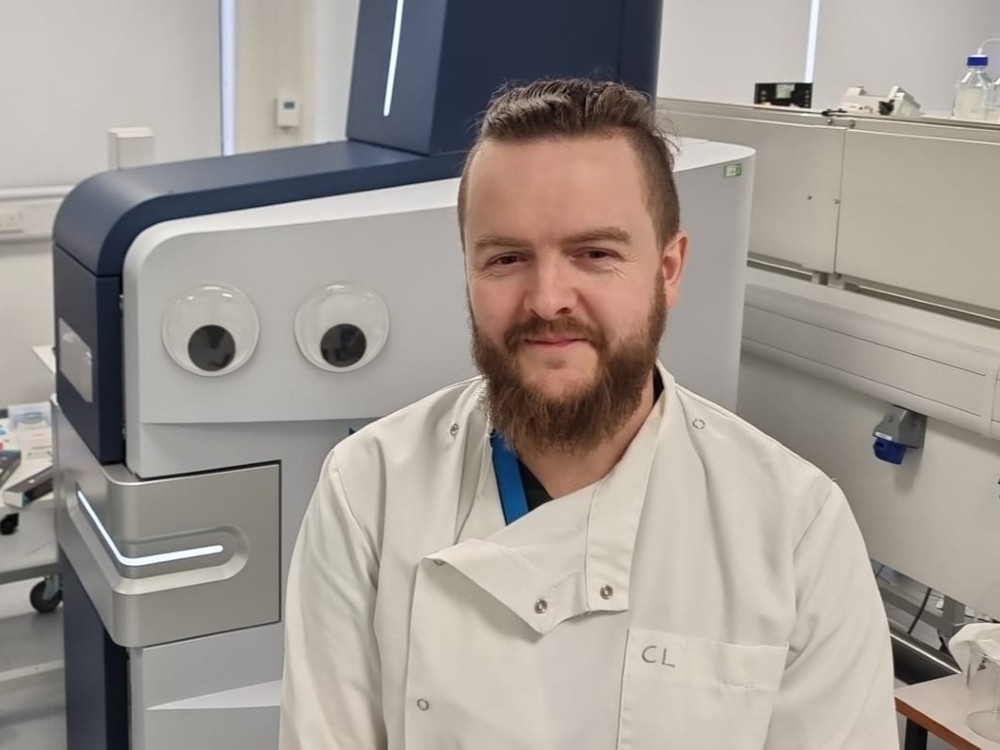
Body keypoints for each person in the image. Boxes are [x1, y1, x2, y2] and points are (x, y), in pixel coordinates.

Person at [279, 78, 897, 750]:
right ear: (468, 273)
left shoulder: (795, 530)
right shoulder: (369, 489)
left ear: (668, 269)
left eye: (594, 254)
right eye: (507, 258)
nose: (548, 299)